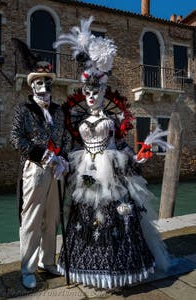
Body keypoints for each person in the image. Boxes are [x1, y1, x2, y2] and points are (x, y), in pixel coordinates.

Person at [53, 17, 172, 289]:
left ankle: (116, 270)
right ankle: (86, 267)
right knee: (84, 220)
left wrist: (136, 158)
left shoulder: (113, 121)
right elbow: (75, 146)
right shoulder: (79, 122)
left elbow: (120, 145)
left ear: (103, 91)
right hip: (86, 168)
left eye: (96, 92)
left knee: (115, 216)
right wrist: (62, 162)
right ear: (83, 93)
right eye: (87, 92)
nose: (92, 96)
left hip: (111, 169)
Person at [10, 61, 70, 289]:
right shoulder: (23, 111)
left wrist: (62, 158)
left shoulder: (58, 111)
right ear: (32, 86)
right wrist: (43, 155)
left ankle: (47, 261)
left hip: (58, 170)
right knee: (32, 219)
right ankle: (28, 268)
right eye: (38, 83)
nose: (43, 86)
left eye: (46, 82)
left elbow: (65, 138)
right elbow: (17, 139)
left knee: (53, 216)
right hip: (35, 168)